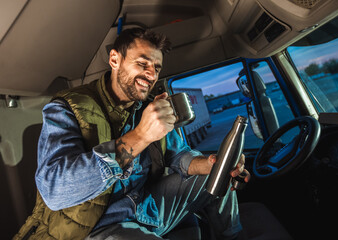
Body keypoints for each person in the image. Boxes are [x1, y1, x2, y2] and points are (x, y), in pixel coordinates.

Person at [14, 28, 249, 240]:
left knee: (219, 178)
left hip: (146, 204)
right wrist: (141, 136)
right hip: (99, 224)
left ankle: (233, 236)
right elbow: (54, 191)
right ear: (115, 59)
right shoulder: (68, 108)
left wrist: (208, 164)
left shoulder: (148, 108)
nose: (151, 74)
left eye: (156, 68)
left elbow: (179, 157)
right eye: (143, 63)